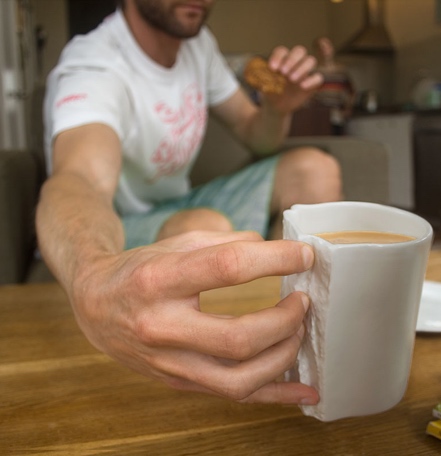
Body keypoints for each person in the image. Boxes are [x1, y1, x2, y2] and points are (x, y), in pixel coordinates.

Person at [36, 0, 342, 405]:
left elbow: (258, 138)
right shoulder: (94, 64)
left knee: (315, 170)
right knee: (206, 229)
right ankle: (239, 352)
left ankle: (300, 333)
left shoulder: (199, 47)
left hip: (180, 203)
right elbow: (79, 180)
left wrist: (275, 108)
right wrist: (92, 276)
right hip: (118, 222)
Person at [312, 36, 355, 135]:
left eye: (326, 47)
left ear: (332, 49)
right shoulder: (313, 72)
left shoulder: (341, 71)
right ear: (317, 51)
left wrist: (348, 109)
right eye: (321, 48)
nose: (324, 50)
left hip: (337, 114)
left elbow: (351, 91)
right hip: (318, 115)